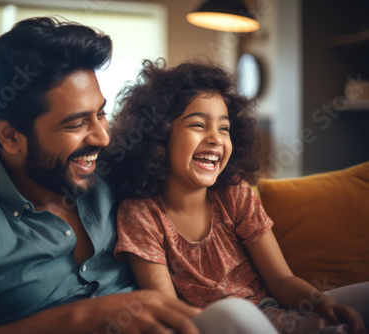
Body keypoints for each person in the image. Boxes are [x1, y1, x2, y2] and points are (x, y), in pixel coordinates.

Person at [0, 17, 278, 334]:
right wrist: (86, 317)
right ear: (10, 134)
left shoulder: (119, 166)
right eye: (76, 123)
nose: (102, 136)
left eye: (100, 113)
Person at [103, 59, 369, 334]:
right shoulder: (140, 213)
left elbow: (281, 280)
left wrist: (323, 305)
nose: (216, 139)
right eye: (197, 125)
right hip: (210, 324)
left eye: (224, 128)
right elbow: (169, 310)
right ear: (158, 137)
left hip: (274, 313)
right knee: (234, 310)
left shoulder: (233, 191)